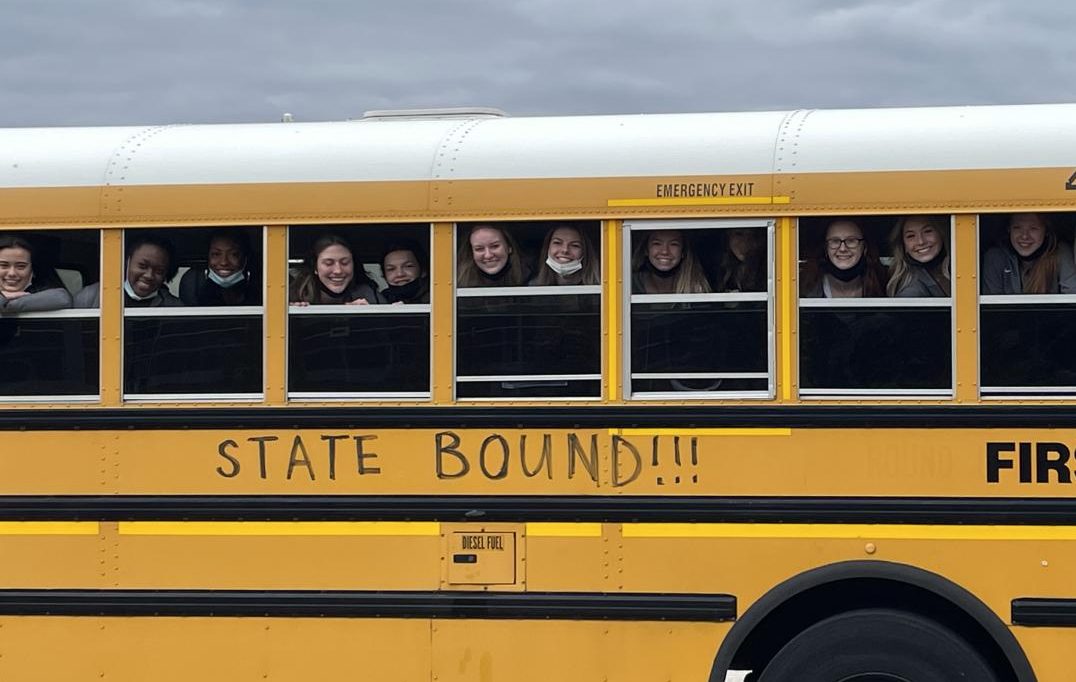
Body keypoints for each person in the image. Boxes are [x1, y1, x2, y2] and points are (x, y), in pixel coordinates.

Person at [75, 234, 182, 308]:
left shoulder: (175, 308)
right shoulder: (91, 297)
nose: (149, 275)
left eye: (159, 271)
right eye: (142, 266)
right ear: (127, 261)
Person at [981, 213, 1076, 294]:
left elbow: (1072, 295)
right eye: (1017, 228)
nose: (1024, 236)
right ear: (1009, 229)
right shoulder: (996, 257)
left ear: (1046, 231)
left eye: (1033, 228)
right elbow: (992, 309)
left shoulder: (1059, 253)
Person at [289, 233, 382, 305]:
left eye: (345, 263)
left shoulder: (368, 294)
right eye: (328, 263)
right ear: (315, 268)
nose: (338, 270)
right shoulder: (292, 296)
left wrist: (367, 315)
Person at [800, 220, 885, 298]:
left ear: (865, 247)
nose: (843, 249)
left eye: (851, 241)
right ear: (826, 248)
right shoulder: (803, 287)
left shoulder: (885, 285)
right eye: (835, 241)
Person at [179, 230, 260, 306]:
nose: (224, 262)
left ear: (245, 259)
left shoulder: (261, 295)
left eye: (233, 254)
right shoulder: (196, 296)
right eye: (216, 254)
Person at [0, 235, 72, 312]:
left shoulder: (41, 294)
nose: (12, 273)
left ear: (32, 270)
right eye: (3, 265)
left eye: (21, 266)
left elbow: (62, 298)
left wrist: (7, 304)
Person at [886, 216, 951, 297]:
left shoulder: (951, 272)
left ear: (941, 233)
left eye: (927, 231)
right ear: (903, 245)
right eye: (911, 236)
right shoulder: (911, 292)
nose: (921, 241)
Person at [631, 230, 710, 294]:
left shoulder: (696, 287)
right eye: (657, 243)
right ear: (646, 250)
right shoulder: (629, 284)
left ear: (683, 252)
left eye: (673, 244)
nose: (665, 251)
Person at [529, 224, 600, 286]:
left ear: (585, 252)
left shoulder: (600, 288)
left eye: (575, 245)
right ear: (547, 248)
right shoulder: (531, 289)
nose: (565, 250)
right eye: (557, 243)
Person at [457, 224, 526, 287]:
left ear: (509, 247)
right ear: (471, 253)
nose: (488, 255)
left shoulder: (530, 281)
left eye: (495, 246)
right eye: (479, 249)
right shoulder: (457, 284)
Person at [714, 228, 766, 292]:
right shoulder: (723, 270)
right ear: (728, 237)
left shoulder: (768, 269)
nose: (745, 242)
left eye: (754, 235)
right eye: (739, 234)